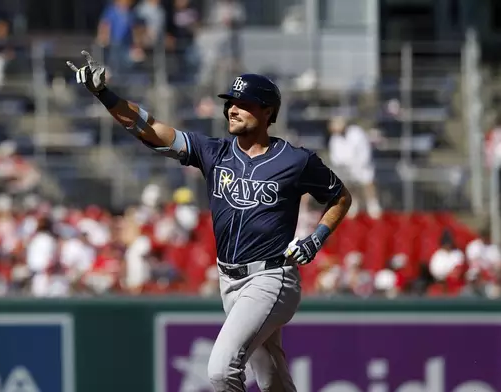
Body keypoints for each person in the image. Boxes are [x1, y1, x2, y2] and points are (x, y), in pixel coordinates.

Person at [67, 51, 352, 392]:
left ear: (267, 112)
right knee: (272, 377)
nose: (232, 108)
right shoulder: (215, 152)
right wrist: (105, 95)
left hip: (271, 277)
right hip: (228, 280)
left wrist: (317, 237)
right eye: (230, 101)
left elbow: (340, 196)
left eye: (244, 103)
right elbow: (153, 129)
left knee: (220, 370)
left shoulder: (296, 160)